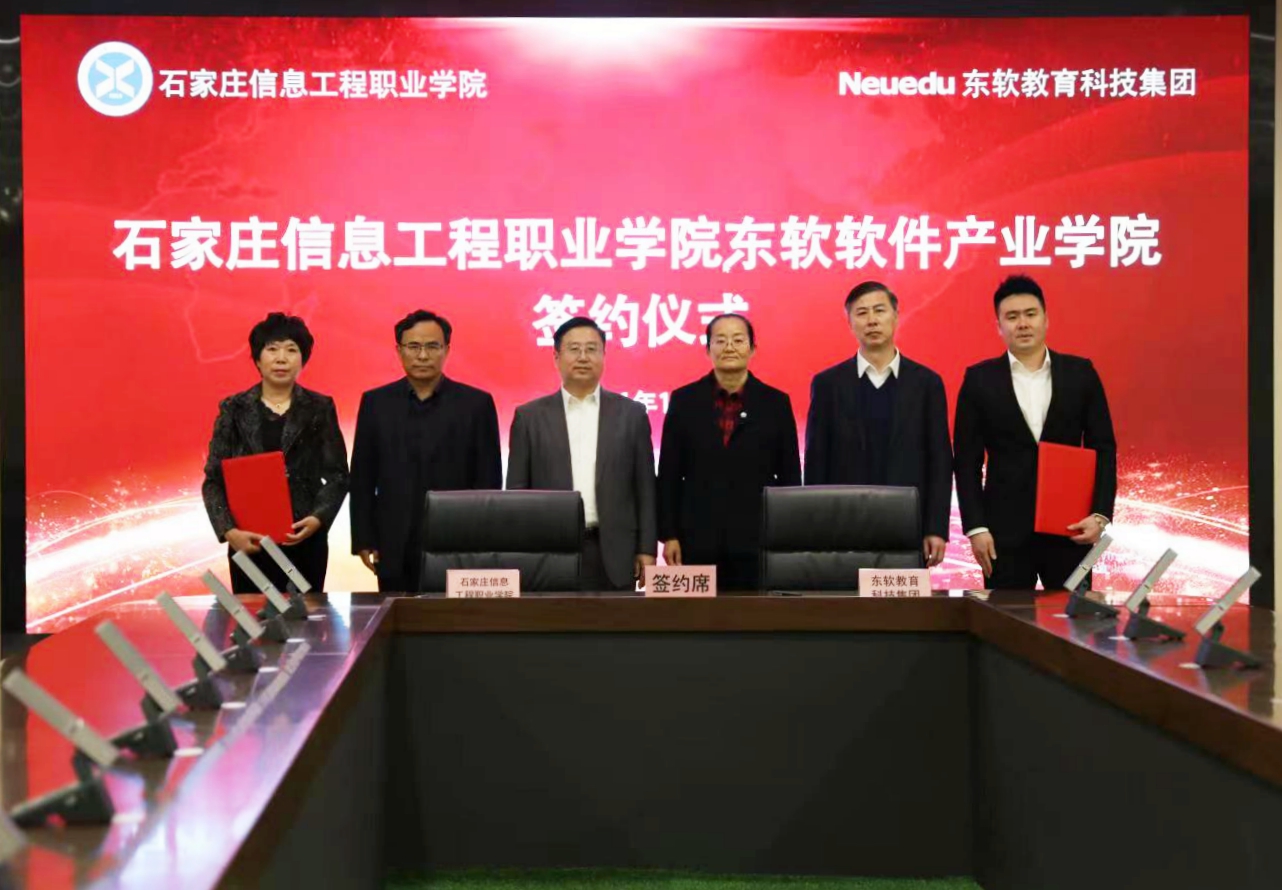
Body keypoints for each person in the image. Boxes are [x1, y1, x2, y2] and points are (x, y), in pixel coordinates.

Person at [953, 274, 1117, 589]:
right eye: (1012, 317)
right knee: (1004, 619)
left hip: (1071, 528)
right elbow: (966, 461)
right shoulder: (979, 380)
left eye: (1031, 314)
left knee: (1072, 618)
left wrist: (1100, 514)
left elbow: (1104, 448)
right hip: (1002, 533)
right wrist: (976, 528)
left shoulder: (1080, 374)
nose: (1023, 324)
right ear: (999, 326)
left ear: (1046, 319)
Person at [349, 310, 502, 592]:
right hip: (393, 540)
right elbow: (362, 477)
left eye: (432, 346)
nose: (422, 355)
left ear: (447, 350)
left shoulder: (476, 404)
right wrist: (363, 538)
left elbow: (489, 480)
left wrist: (483, 540)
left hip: (458, 539)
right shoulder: (375, 403)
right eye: (413, 346)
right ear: (399, 350)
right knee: (397, 613)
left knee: (456, 615)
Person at [804, 281, 952, 567]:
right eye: (861, 313)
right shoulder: (827, 385)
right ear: (850, 323)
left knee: (902, 598)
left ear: (895, 317)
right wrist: (817, 528)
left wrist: (935, 527)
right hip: (843, 527)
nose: (871, 320)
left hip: (909, 526)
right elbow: (816, 462)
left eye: (879, 310)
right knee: (845, 597)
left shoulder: (927, 383)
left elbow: (940, 460)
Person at [506, 317, 656, 592]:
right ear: (556, 357)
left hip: (616, 551)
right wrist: (521, 554)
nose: (583, 357)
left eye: (592, 349)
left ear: (604, 355)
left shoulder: (632, 414)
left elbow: (645, 488)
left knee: (616, 620)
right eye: (574, 349)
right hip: (549, 550)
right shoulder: (529, 417)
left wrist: (646, 548)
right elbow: (517, 492)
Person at [202, 312, 349, 592]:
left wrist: (318, 518)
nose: (281, 358)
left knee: (306, 615)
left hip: (304, 537)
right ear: (258, 359)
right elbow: (213, 479)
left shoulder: (320, 407)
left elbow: (338, 476)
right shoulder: (233, 409)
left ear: (303, 359)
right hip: (249, 540)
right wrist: (229, 531)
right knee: (253, 616)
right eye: (272, 349)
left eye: (291, 350)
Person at [657, 313, 800, 590]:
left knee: (755, 612)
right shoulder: (684, 400)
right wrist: (669, 534)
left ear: (753, 348)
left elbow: (790, 476)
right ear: (707, 349)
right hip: (696, 537)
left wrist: (786, 536)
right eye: (720, 340)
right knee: (698, 614)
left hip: (757, 537)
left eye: (738, 340)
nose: (729, 347)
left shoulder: (776, 403)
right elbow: (669, 474)